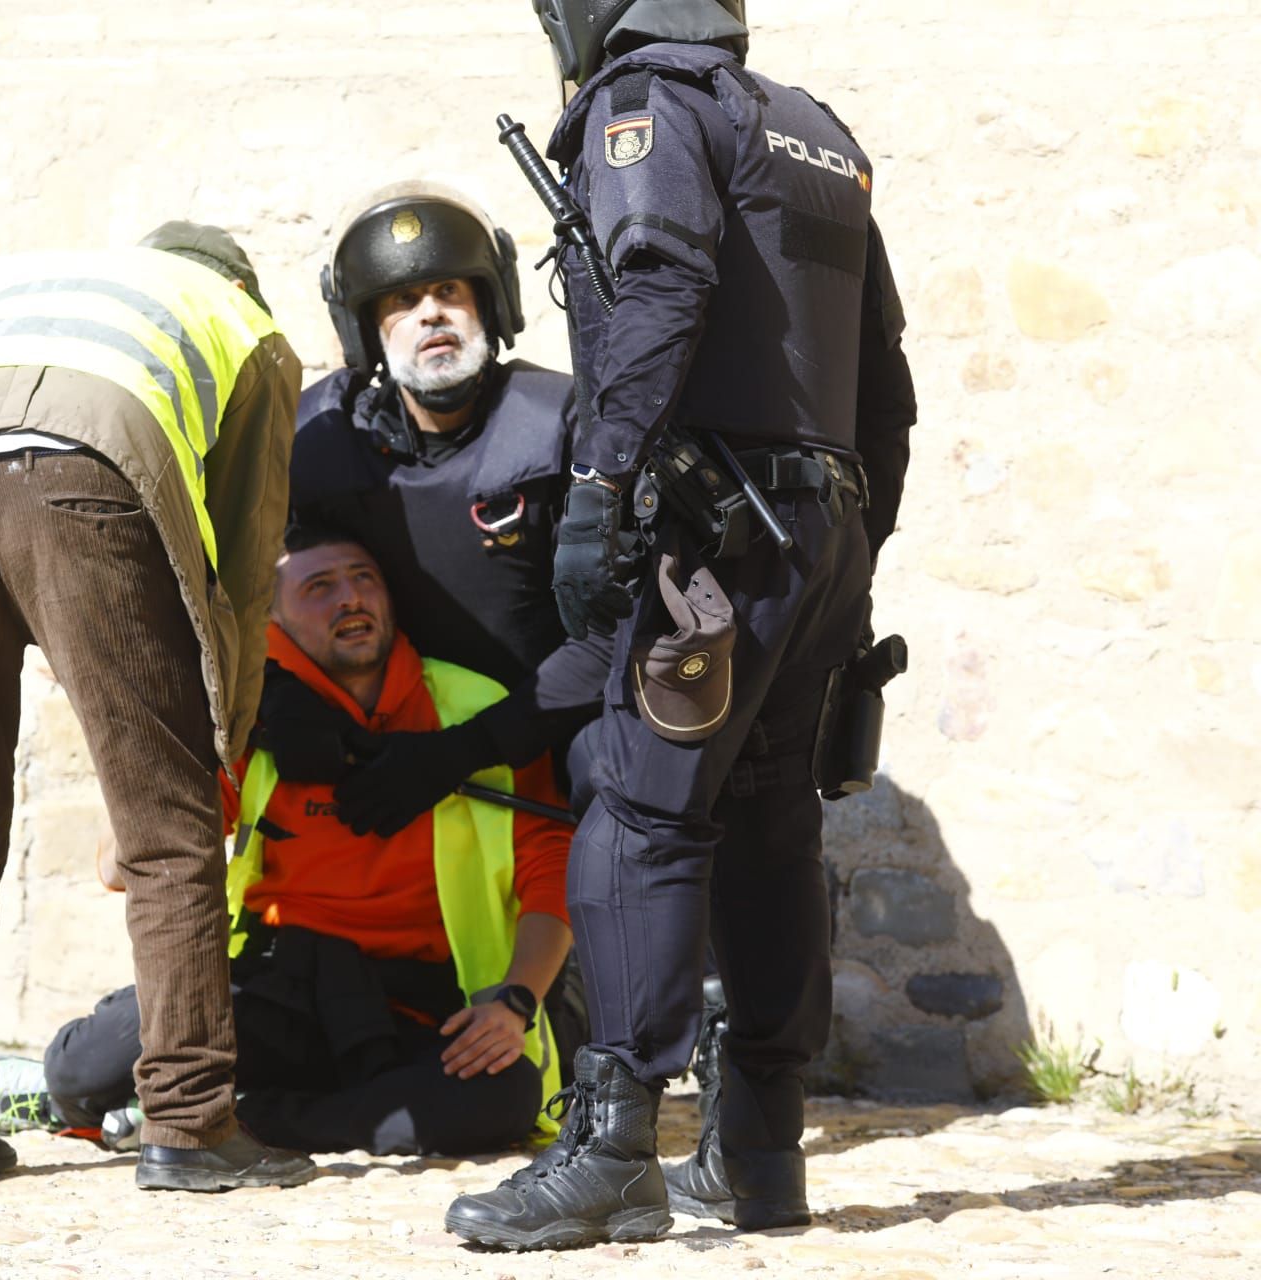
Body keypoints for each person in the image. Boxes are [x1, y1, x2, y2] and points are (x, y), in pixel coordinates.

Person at [445, 0, 916, 1249]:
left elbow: (659, 283)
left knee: (643, 808)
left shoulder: (644, 108)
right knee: (767, 816)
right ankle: (759, 1152)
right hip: (821, 520)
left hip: (715, 526)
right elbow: (888, 382)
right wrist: (854, 555)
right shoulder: (814, 131)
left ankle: (612, 1150)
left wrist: (602, 483)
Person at [0, 222, 316, 1192]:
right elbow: (241, 555)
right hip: (83, 474)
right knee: (169, 828)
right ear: (238, 282)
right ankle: (189, 1121)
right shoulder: (245, 327)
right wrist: (226, 730)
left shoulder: (20, 278)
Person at [2, 529, 577, 1157]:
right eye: (319, 587)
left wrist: (515, 1001)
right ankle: (69, 1095)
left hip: (414, 1003)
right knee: (80, 1071)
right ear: (273, 617)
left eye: (364, 578)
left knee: (502, 1098)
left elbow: (552, 863)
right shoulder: (247, 719)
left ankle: (236, 1117)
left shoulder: (474, 709)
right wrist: (166, 741)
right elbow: (119, 866)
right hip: (272, 983)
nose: (350, 599)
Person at [280, 184, 611, 823]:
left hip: (554, 723)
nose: (431, 313)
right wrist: (280, 700)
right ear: (368, 330)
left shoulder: (563, 425)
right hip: (392, 728)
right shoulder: (321, 444)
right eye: (404, 301)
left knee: (615, 772)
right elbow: (256, 602)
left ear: (489, 306)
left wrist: (463, 750)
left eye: (450, 292)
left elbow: (616, 633)